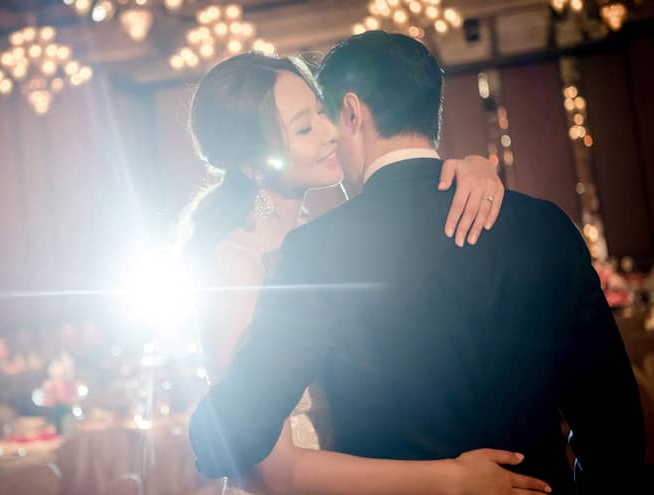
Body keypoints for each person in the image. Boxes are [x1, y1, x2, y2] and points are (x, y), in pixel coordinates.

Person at [189, 32, 645, 494]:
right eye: (307, 126)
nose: (329, 134)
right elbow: (614, 426)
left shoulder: (317, 248)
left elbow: (221, 435)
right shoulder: (543, 224)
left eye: (325, 115)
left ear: (353, 112)